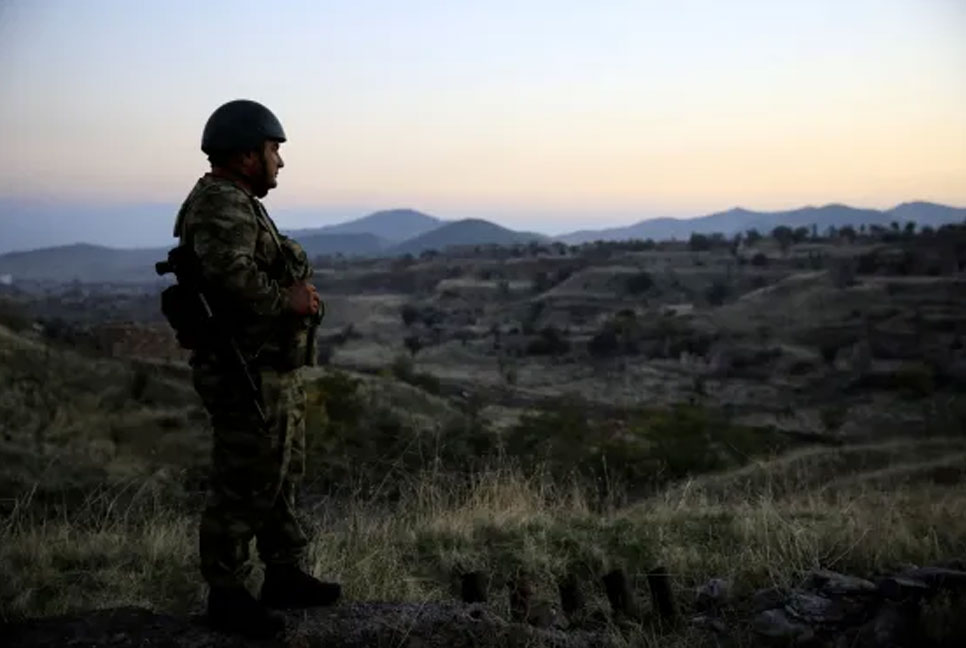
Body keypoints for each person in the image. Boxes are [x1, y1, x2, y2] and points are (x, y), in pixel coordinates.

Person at [172, 99, 340, 638]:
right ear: (247, 154)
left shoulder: (240, 202)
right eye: (274, 151)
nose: (279, 163)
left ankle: (283, 574)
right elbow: (232, 280)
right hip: (244, 369)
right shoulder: (221, 204)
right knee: (244, 481)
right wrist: (287, 302)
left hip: (270, 369)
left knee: (279, 475)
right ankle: (226, 593)